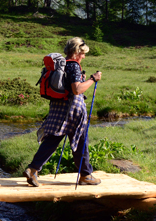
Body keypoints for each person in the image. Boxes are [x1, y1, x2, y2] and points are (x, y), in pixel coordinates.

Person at [24, 37, 102, 187]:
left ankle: (33, 169)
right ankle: (85, 175)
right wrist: (93, 79)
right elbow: (77, 89)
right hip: (72, 109)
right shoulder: (73, 66)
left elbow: (68, 85)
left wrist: (82, 78)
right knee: (80, 141)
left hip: (58, 107)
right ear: (77, 52)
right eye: (83, 53)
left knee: (52, 140)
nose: (84, 56)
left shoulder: (62, 64)